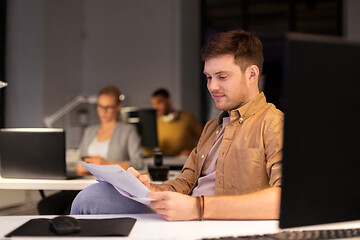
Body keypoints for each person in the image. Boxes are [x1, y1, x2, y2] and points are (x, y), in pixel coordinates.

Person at [71, 29, 283, 221]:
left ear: (252, 74)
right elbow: (184, 183)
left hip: (210, 219)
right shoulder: (212, 127)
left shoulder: (274, 124)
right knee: (94, 195)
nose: (212, 86)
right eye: (208, 77)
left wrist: (198, 207)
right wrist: (148, 188)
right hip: (186, 212)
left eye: (222, 77)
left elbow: (286, 197)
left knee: (90, 200)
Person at [38, 86, 143, 215]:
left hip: (107, 188)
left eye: (108, 107)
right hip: (81, 185)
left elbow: (139, 164)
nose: (103, 111)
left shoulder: (127, 131)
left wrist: (106, 165)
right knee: (45, 206)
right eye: (100, 107)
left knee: (68, 211)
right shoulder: (90, 131)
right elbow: (79, 159)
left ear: (118, 107)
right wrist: (78, 168)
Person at [151, 88, 203, 156]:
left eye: (159, 103)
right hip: (163, 163)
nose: (155, 107)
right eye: (154, 104)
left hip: (185, 162)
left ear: (168, 100)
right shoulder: (154, 123)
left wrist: (194, 152)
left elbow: (204, 138)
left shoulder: (187, 118)